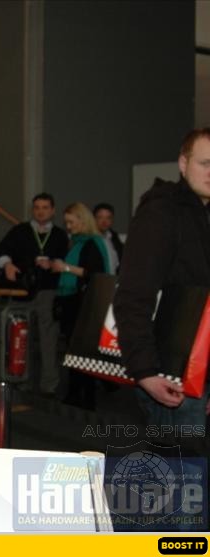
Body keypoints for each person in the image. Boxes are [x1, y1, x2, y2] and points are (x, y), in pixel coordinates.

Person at [114, 128, 210, 429]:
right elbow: (134, 293)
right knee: (178, 458)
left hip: (201, 374)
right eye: (205, 163)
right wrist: (145, 371)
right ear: (183, 163)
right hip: (170, 376)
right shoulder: (162, 210)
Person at [0, 193, 69, 395]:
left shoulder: (60, 235)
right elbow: (1, 249)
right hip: (22, 291)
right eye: (37, 207)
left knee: (49, 340)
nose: (40, 211)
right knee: (19, 338)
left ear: (53, 210)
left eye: (45, 207)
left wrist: (53, 264)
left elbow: (66, 261)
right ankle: (20, 380)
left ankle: (49, 385)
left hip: (49, 292)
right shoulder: (20, 231)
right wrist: (7, 264)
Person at [51, 202, 111, 409]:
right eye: (66, 222)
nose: (68, 226)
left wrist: (65, 268)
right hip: (73, 301)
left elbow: (94, 273)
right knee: (74, 351)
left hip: (83, 303)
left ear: (82, 220)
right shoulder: (77, 242)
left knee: (82, 351)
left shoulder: (91, 243)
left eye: (71, 222)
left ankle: (85, 397)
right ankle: (76, 394)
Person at [93, 202, 124, 274]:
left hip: (113, 278)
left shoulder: (114, 238)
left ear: (112, 220)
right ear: (94, 219)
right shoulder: (89, 240)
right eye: (100, 217)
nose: (104, 221)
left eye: (108, 218)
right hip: (96, 279)